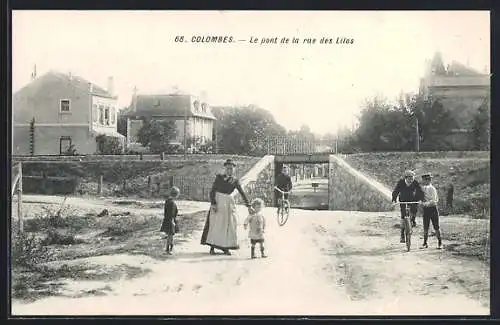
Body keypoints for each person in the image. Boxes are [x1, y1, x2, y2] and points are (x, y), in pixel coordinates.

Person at [200, 159, 253, 255]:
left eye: (231, 168)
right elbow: (212, 191)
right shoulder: (219, 178)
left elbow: (242, 193)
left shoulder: (235, 181)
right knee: (216, 225)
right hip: (218, 201)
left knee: (228, 225)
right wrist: (213, 203)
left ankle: (225, 247)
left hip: (228, 204)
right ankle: (212, 247)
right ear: (225, 168)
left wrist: (248, 205)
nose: (230, 170)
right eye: (228, 168)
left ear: (234, 169)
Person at [392, 169, 424, 243]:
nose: (411, 180)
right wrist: (394, 199)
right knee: (403, 216)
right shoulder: (401, 182)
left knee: (414, 210)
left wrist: (421, 199)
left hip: (413, 199)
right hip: (403, 200)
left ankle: (413, 220)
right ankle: (402, 234)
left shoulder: (415, 182)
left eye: (412, 178)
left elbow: (420, 191)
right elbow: (396, 191)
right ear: (405, 178)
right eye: (409, 178)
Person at [420, 173, 442, 249]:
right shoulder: (422, 188)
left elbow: (434, 200)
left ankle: (440, 243)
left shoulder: (432, 188)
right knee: (425, 227)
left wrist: (425, 203)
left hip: (433, 209)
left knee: (436, 227)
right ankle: (425, 243)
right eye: (425, 179)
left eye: (428, 179)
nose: (427, 181)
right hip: (426, 210)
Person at [160, 186, 180, 255]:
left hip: (167, 220)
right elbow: (171, 213)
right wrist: (173, 222)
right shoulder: (172, 203)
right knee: (170, 236)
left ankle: (170, 248)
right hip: (170, 221)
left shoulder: (167, 201)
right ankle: (168, 249)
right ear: (176, 195)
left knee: (170, 235)